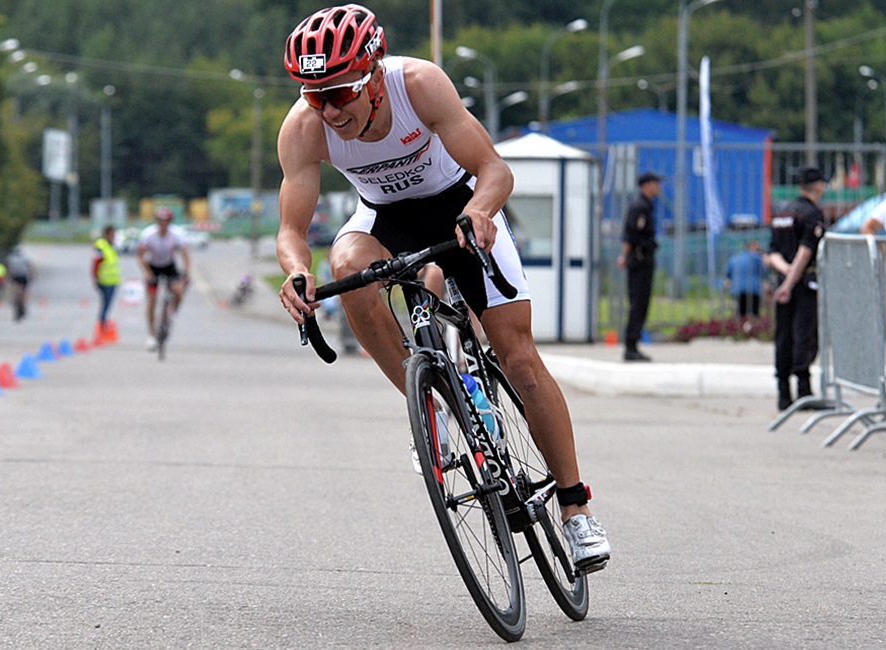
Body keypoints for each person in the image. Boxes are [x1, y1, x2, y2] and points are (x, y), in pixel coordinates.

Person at [274, 4, 610, 571]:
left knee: (522, 362)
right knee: (346, 264)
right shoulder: (304, 128)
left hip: (460, 208)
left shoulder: (420, 85)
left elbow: (495, 171)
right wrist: (295, 272)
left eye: (340, 91)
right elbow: (291, 230)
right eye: (314, 95)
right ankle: (426, 402)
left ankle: (577, 511)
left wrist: (480, 213)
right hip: (385, 218)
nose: (329, 109)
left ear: (374, 73)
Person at [767, 167, 827, 411]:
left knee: (783, 336)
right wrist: (791, 281)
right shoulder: (812, 213)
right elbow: (806, 251)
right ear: (819, 186)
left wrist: (784, 276)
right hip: (803, 284)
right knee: (805, 335)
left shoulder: (782, 211)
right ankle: (803, 393)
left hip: (782, 282)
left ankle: (783, 393)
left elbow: (771, 253)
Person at [617, 171, 661, 362]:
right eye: (655, 183)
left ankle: (634, 345)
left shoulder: (647, 207)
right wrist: (624, 256)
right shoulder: (639, 207)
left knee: (642, 303)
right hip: (639, 260)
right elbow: (630, 235)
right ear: (646, 186)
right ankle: (630, 346)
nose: (658, 187)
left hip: (645, 260)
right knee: (637, 303)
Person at [137, 208, 190, 351]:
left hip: (168, 266)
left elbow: (185, 253)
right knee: (152, 301)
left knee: (179, 291)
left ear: (170, 222)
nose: (163, 225)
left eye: (166, 222)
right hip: (153, 266)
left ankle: (171, 311)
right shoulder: (148, 234)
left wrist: (186, 272)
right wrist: (147, 273)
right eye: (160, 222)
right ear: (157, 222)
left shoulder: (176, 234)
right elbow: (140, 256)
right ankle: (151, 334)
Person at [92, 225, 122, 335]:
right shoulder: (101, 246)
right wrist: (95, 278)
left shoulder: (111, 246)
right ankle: (101, 326)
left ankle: (103, 325)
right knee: (105, 304)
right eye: (112, 234)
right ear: (107, 234)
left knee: (108, 305)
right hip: (104, 281)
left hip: (113, 280)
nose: (114, 236)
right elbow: (96, 263)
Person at [725, 239, 766, 318]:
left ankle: (741, 327)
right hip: (754, 289)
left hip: (737, 290)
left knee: (740, 313)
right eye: (758, 250)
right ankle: (754, 327)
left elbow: (728, 275)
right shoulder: (757, 258)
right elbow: (764, 272)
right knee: (755, 313)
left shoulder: (734, 258)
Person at [5, 246, 32, 321]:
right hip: (24, 276)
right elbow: (30, 268)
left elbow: (9, 269)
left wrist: (7, 277)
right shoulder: (25, 259)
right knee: (25, 290)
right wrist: (31, 277)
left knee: (14, 290)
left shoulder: (10, 258)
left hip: (15, 276)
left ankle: (14, 300)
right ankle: (24, 304)